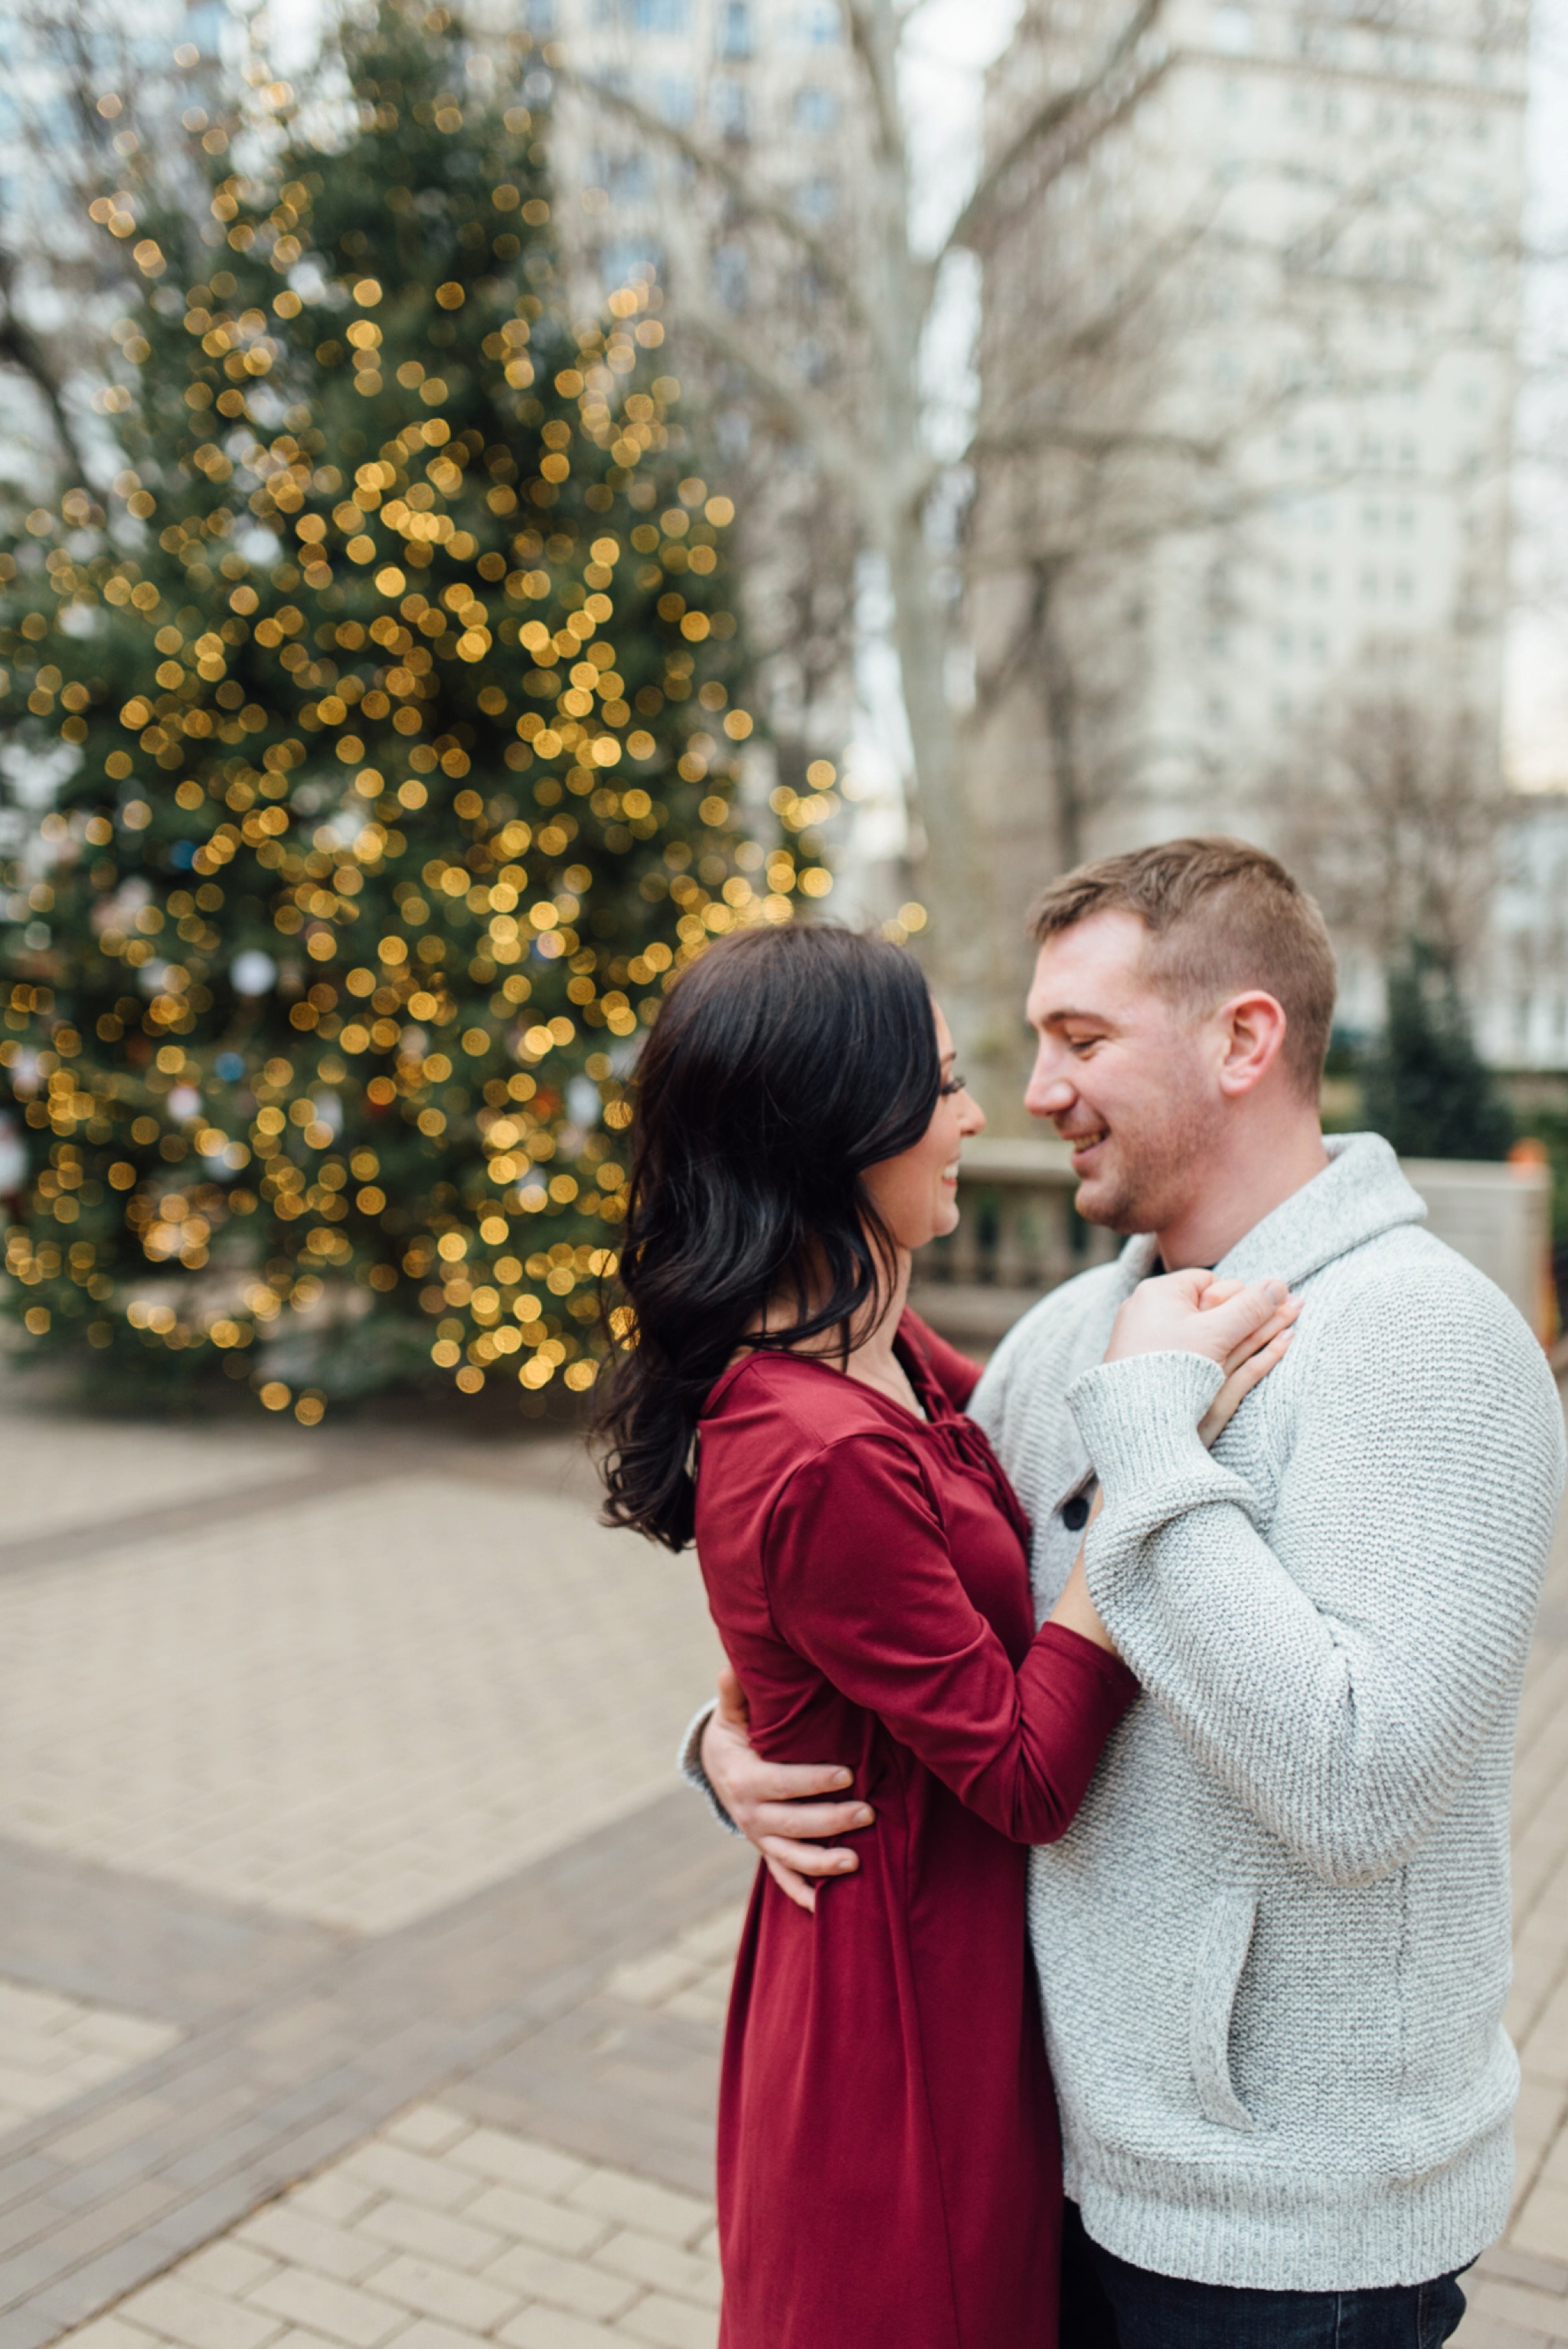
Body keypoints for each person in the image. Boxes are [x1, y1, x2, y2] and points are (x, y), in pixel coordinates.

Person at [691, 838, 1567, 2349]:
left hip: (1295, 2244)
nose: (1028, 1092)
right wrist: (731, 1745)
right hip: (1059, 2170)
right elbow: (887, 1602)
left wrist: (1153, 1439)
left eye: (1080, 1039)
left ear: (1243, 1039)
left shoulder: (1432, 1345)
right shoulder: (1067, 1336)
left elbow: (1360, 1787)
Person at [596, 920, 1295, 2349]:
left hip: (945, 1970)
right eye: (941, 1086)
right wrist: (1150, 1470)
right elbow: (1029, 1775)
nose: (979, 1113)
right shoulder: (814, 1445)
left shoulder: (889, 1351)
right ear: (830, 1131)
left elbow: (858, 1611)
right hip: (901, 2023)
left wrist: (732, 1730)